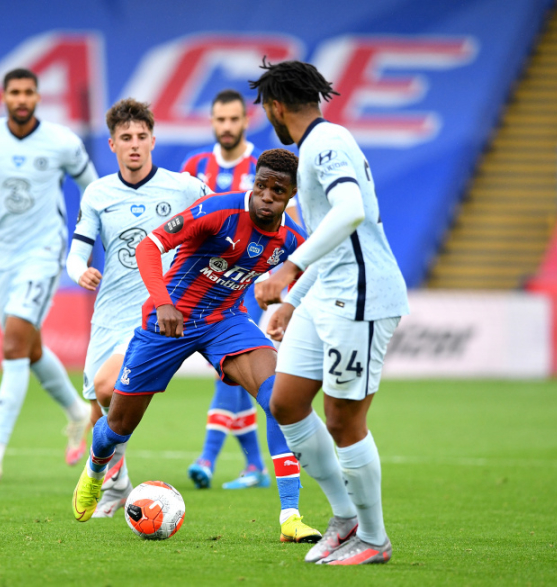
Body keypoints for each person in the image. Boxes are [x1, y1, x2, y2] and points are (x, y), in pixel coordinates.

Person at [73, 149, 322, 543]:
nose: (267, 196)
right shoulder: (217, 210)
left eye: (278, 190)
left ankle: (290, 516)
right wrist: (162, 302)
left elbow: (319, 267)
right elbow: (148, 247)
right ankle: (96, 467)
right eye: (261, 186)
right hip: (168, 320)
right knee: (119, 424)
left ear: (292, 195)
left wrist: (290, 305)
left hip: (226, 321)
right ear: (253, 183)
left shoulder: (290, 238)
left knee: (280, 398)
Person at [251, 60, 409, 565]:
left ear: (276, 107)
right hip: (327, 293)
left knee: (343, 420)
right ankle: (344, 517)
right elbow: (337, 237)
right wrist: (294, 302)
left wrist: (287, 271)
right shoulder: (317, 144)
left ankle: (374, 538)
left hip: (360, 297)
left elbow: (351, 210)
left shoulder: (326, 143)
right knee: (287, 401)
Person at [0, 68, 99, 482]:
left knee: (14, 345)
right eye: (14, 92)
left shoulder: (62, 142)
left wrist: (84, 243)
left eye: (28, 92)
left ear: (38, 97)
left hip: (44, 252)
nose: (21, 99)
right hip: (1, 256)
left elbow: (95, 191)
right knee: (28, 347)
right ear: (3, 97)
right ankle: (77, 412)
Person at [67, 98, 209, 517]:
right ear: (111, 144)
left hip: (157, 312)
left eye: (141, 137)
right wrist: (80, 274)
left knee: (112, 388)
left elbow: (221, 218)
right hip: (109, 308)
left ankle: (108, 481)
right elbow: (76, 253)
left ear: (153, 139)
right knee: (99, 405)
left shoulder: (183, 187)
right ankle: (117, 483)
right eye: (125, 138)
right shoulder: (98, 193)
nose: (134, 145)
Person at [180, 89, 268, 491]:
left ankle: (207, 457)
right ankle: (255, 467)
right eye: (220, 120)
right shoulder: (195, 166)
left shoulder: (261, 167)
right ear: (212, 121)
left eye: (234, 119)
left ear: (246, 120)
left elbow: (289, 221)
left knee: (229, 371)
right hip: (202, 286)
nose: (227, 127)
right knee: (234, 376)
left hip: (245, 285)